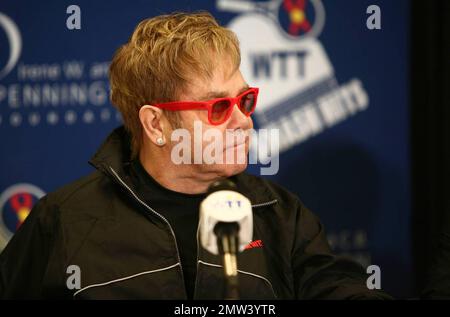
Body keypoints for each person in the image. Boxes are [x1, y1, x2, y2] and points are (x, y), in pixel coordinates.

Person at [0, 12, 391, 299]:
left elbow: (336, 289)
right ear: (156, 125)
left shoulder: (280, 215)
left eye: (246, 100)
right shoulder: (63, 221)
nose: (243, 121)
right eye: (218, 107)